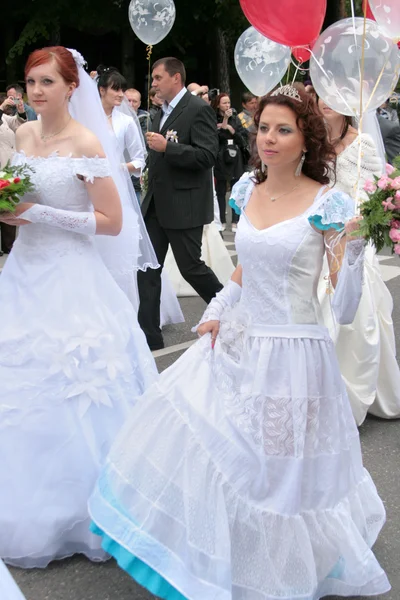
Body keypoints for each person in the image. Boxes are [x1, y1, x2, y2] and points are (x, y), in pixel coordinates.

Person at [89, 85, 390, 600]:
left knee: (277, 476)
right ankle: (224, 559)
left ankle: (282, 574)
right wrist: (215, 311)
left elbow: (340, 309)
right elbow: (248, 267)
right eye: (265, 128)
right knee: (217, 448)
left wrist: (356, 248)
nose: (269, 139)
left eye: (284, 130)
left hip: (296, 355)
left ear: (306, 140)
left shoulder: (329, 203)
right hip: (238, 342)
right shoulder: (247, 189)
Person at [0, 46, 158, 569]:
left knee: (79, 389)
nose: (36, 91)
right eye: (30, 82)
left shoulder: (86, 142)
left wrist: (41, 212)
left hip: (71, 277)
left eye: (47, 82)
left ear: (72, 87)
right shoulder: (22, 136)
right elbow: (10, 202)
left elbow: (112, 222)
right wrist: (10, 212)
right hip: (24, 273)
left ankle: (88, 507)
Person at [317, 97, 400, 425]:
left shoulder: (362, 142)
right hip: (317, 231)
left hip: (352, 233)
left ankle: (355, 388)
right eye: (321, 95)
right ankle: (320, 388)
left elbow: (371, 192)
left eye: (334, 97)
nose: (325, 103)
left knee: (357, 308)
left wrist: (352, 228)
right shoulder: (312, 142)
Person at [137, 56, 223, 350]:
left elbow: (207, 155)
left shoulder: (197, 109)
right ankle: (149, 336)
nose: (154, 83)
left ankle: (229, 308)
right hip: (156, 204)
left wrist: (168, 148)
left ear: (176, 78)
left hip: (184, 204)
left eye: (158, 78)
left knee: (191, 267)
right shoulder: (160, 112)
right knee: (148, 269)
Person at [212, 93, 248, 232]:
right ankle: (221, 220)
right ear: (218, 104)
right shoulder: (214, 117)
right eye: (224, 103)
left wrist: (230, 128)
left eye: (229, 103)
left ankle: (235, 221)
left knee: (235, 188)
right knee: (220, 190)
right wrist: (224, 121)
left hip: (235, 155)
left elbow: (241, 137)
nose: (227, 106)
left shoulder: (236, 119)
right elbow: (218, 136)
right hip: (221, 155)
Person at [0, 94, 27, 255]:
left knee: (8, 208)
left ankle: (9, 246)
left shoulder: (5, 119)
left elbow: (19, 124)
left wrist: (21, 111)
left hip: (9, 170)